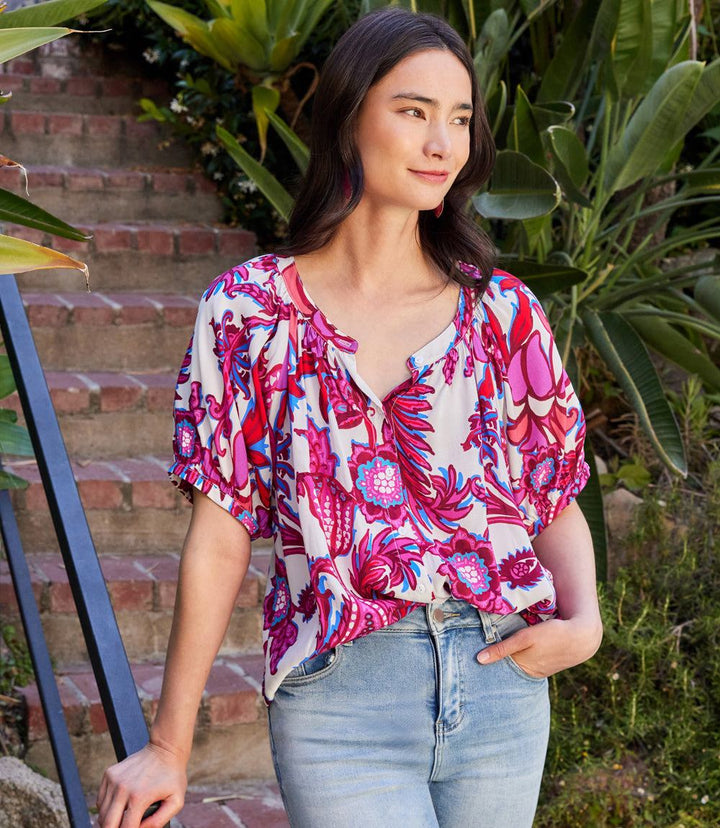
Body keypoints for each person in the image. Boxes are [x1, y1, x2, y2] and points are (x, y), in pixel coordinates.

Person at [96, 8, 602, 827]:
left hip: (502, 677)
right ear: (349, 114)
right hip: (342, 699)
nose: (444, 143)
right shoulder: (249, 311)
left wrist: (587, 623)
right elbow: (222, 532)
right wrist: (170, 746)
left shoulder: (502, 310)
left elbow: (552, 493)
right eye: (413, 111)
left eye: (461, 119)